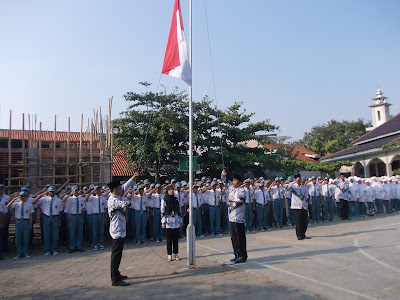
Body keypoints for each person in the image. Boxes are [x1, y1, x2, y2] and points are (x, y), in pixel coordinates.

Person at [108, 172, 138, 287]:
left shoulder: (117, 195)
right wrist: (130, 201)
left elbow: (125, 187)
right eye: (120, 188)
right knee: (115, 254)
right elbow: (125, 203)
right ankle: (115, 279)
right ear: (115, 189)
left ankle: (117, 273)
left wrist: (133, 178)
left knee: (119, 253)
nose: (122, 189)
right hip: (116, 230)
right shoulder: (113, 200)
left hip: (120, 228)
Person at [34, 186, 62, 255]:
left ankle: (54, 249)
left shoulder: (58, 200)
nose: (52, 193)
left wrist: (59, 220)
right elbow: (34, 202)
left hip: (55, 217)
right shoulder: (44, 199)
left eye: (53, 191)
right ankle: (47, 250)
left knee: (54, 234)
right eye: (50, 192)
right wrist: (41, 194)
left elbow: (60, 211)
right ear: (48, 192)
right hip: (46, 217)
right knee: (47, 234)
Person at [7, 191, 34, 259]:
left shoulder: (29, 204)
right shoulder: (17, 204)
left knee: (25, 237)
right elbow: (8, 206)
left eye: (23, 196)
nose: (22, 198)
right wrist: (14, 199)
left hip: (26, 221)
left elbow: (31, 215)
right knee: (18, 237)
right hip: (18, 221)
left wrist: (30, 224)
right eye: (21, 196)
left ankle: (25, 252)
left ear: (26, 197)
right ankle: (19, 253)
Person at [227, 173, 247, 263]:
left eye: (235, 180)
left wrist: (232, 200)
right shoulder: (231, 189)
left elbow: (241, 200)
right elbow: (224, 182)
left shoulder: (242, 190)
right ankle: (236, 254)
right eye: (233, 180)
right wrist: (223, 175)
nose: (233, 182)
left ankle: (242, 255)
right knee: (234, 237)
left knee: (240, 237)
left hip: (238, 217)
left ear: (240, 182)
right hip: (231, 217)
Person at [161, 186, 183, 261]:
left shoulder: (176, 199)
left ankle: (176, 253)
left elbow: (179, 210)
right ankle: (169, 254)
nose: (171, 191)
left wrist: (180, 220)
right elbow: (162, 211)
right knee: (169, 239)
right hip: (168, 221)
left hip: (176, 220)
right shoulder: (164, 200)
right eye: (170, 190)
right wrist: (163, 222)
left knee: (176, 239)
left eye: (172, 189)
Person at [287, 174, 310, 240]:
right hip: (296, 206)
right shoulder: (294, 187)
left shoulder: (304, 187)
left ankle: (303, 234)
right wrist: (294, 181)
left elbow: (306, 196)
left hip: (303, 206)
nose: (300, 181)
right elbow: (288, 187)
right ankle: (299, 235)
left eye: (300, 179)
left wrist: (307, 204)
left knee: (304, 221)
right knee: (298, 222)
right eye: (298, 179)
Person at [85, 186, 107, 251]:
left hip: (101, 214)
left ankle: (101, 243)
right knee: (94, 230)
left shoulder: (103, 198)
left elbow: (105, 208)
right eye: (97, 190)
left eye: (99, 189)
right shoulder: (92, 198)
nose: (98, 191)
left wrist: (105, 217)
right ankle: (95, 244)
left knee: (101, 230)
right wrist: (90, 192)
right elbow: (85, 199)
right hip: (94, 215)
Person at [64, 186, 85, 253]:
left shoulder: (80, 198)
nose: (77, 192)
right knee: (72, 232)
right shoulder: (70, 199)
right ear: (72, 191)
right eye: (75, 190)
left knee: (79, 232)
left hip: (79, 215)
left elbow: (82, 209)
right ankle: (72, 247)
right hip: (72, 216)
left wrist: (82, 217)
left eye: (77, 190)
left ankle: (79, 246)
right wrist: (70, 194)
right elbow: (63, 201)